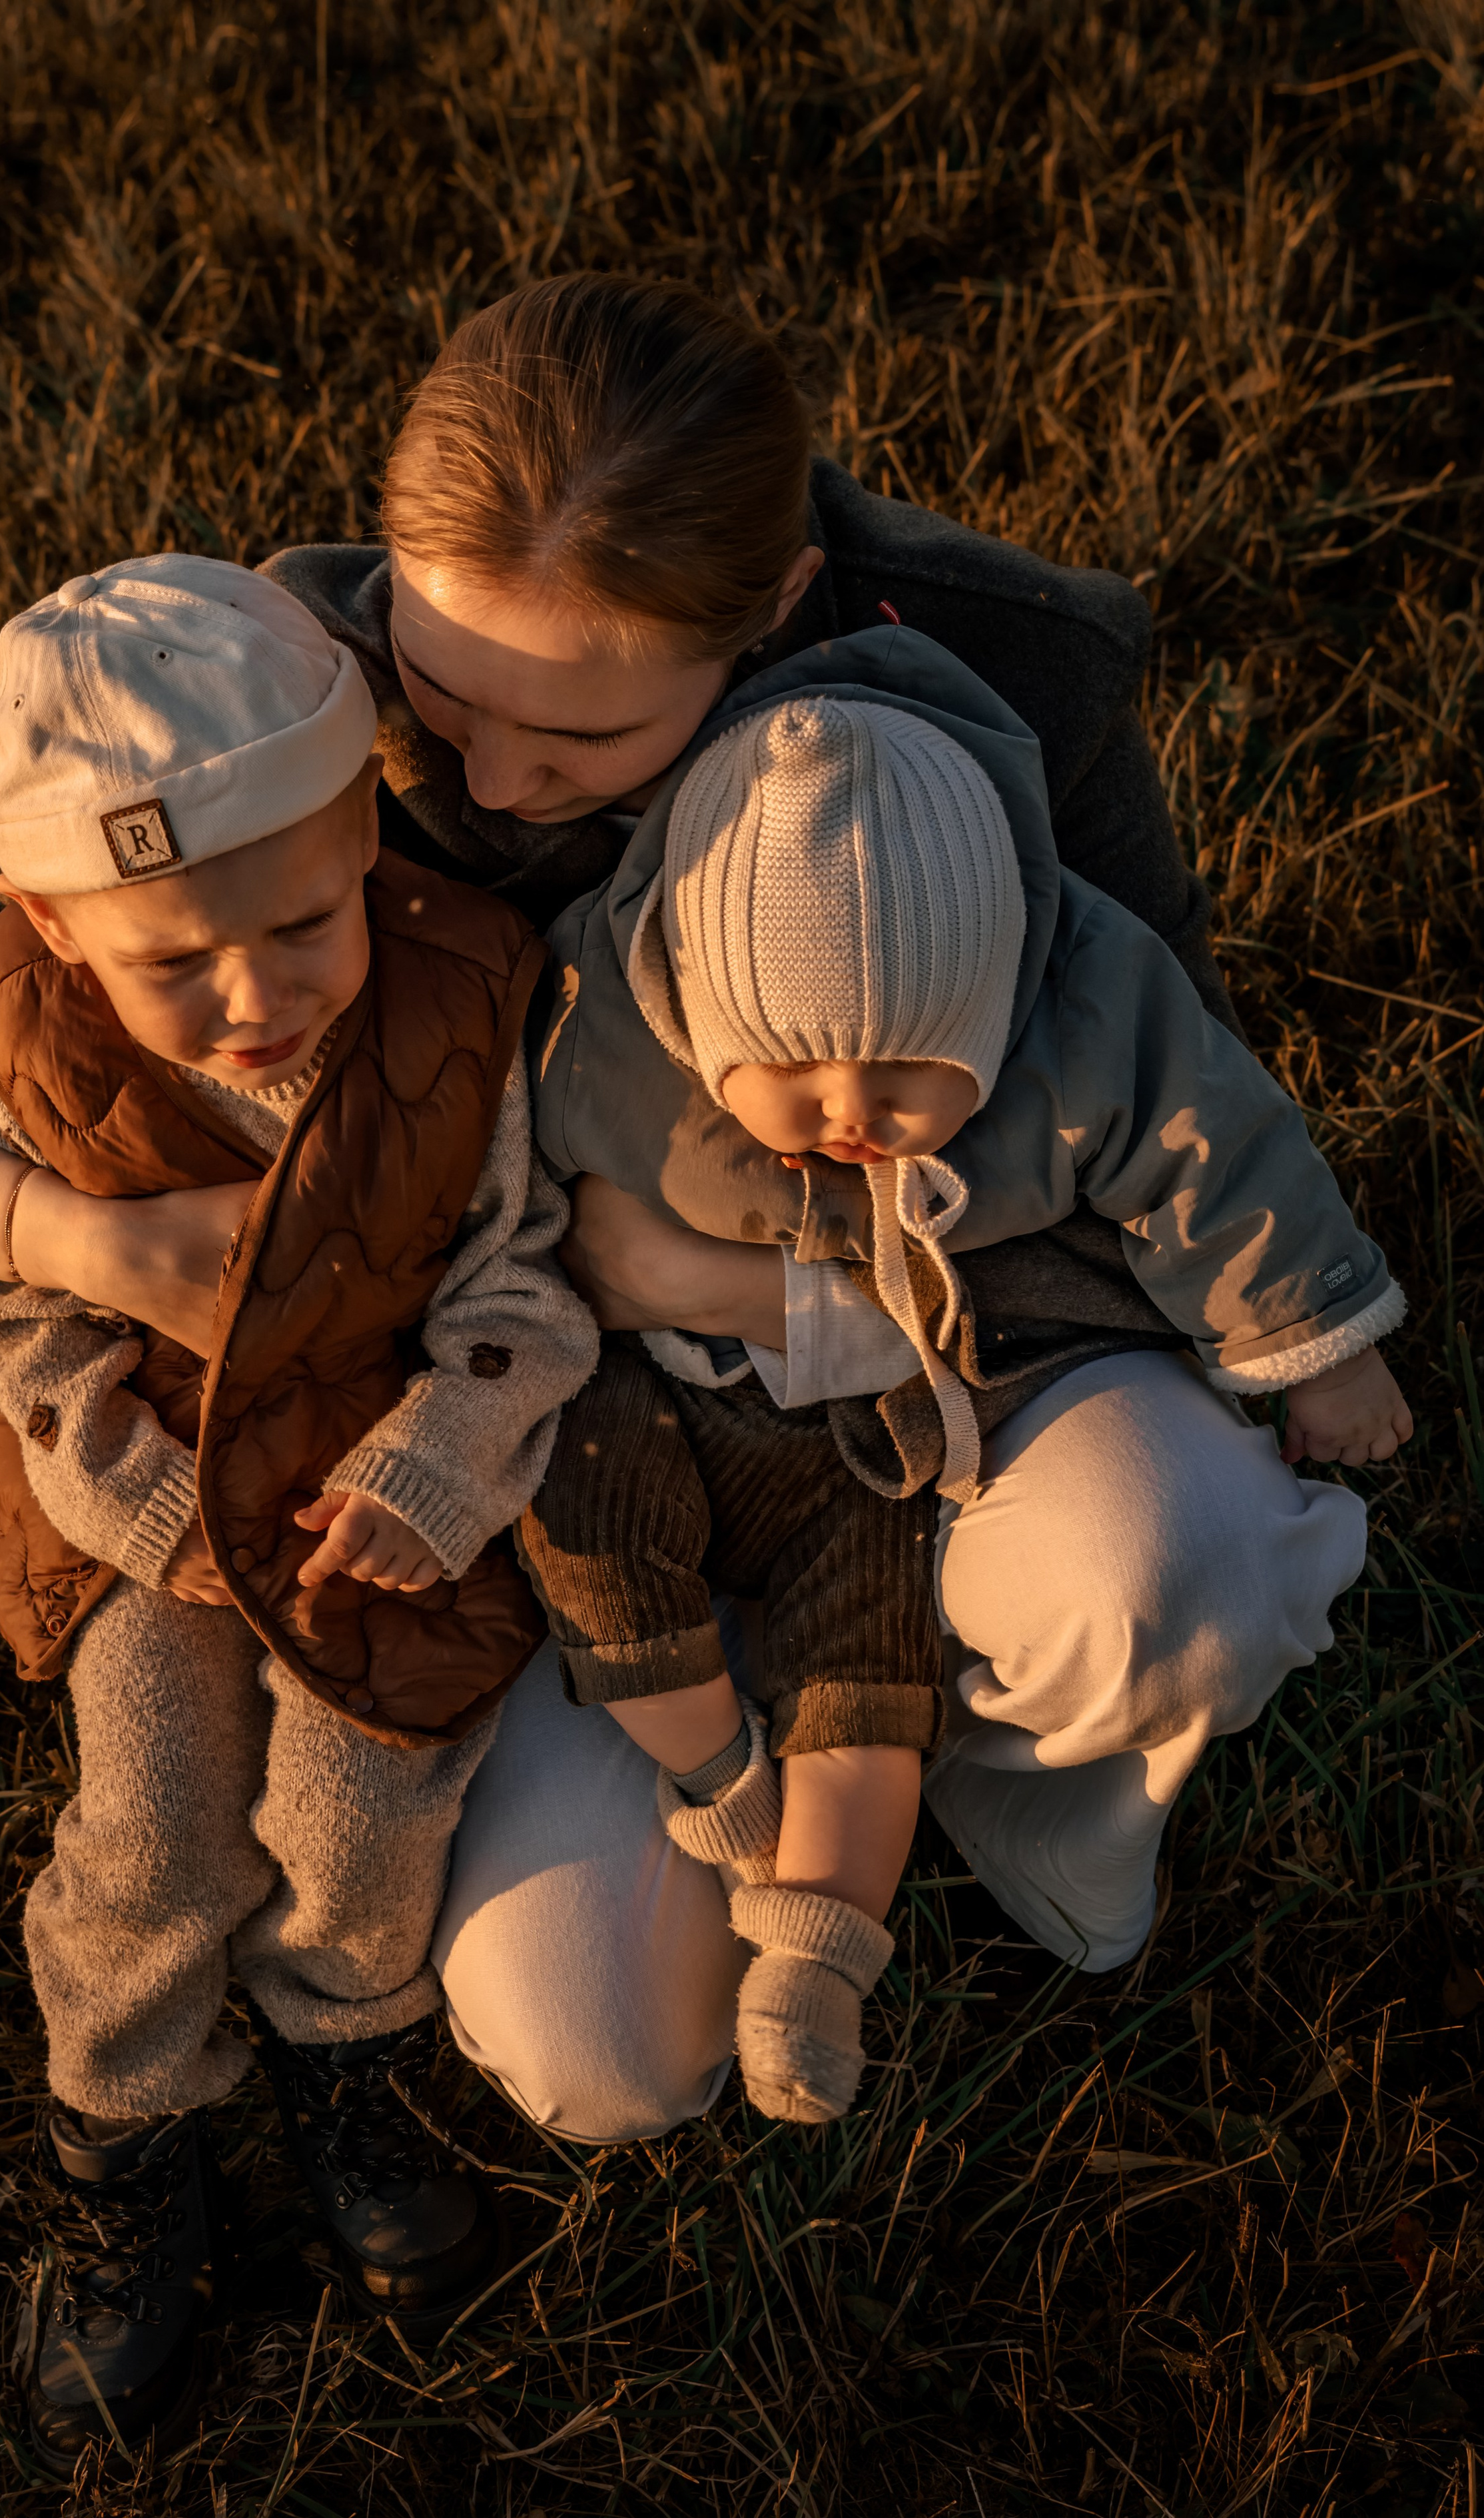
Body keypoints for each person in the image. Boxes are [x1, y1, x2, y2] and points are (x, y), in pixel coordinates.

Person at [0, 272, 1395, 2162]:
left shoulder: (997, 686)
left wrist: (748, 1280)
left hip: (937, 1346)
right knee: (594, 2056)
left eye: (579, 747)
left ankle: (1001, 1774)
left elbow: (1130, 1096)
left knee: (1173, 1566)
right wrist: (63, 1236)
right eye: (448, 694)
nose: (481, 782)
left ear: (772, 620)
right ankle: (746, 1752)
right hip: (534, 1423)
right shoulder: (288, 690)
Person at [520, 679, 1408, 2124]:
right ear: (693, 1011)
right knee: (606, 2025)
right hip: (705, 1442)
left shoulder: (1080, 1002)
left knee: (1169, 1571)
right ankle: (744, 1795)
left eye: (914, 1061)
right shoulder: (605, 1030)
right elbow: (491, 1183)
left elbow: (1213, 1152)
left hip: (979, 1392)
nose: (850, 1109)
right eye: (793, 1069)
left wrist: (1317, 1339)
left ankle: (1017, 1787)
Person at [0, 552, 597, 2468]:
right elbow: (34, 1327)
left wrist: (443, 1458)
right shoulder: (29, 1052)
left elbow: (519, 1280)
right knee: (150, 1819)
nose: (256, 994)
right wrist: (126, 1492)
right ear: (60, 939)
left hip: (369, 1491)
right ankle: (127, 2122)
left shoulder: (463, 1003)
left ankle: (345, 2049)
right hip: (149, 1496)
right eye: (174, 965)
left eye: (310, 920)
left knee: (363, 1792)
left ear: (368, 839)